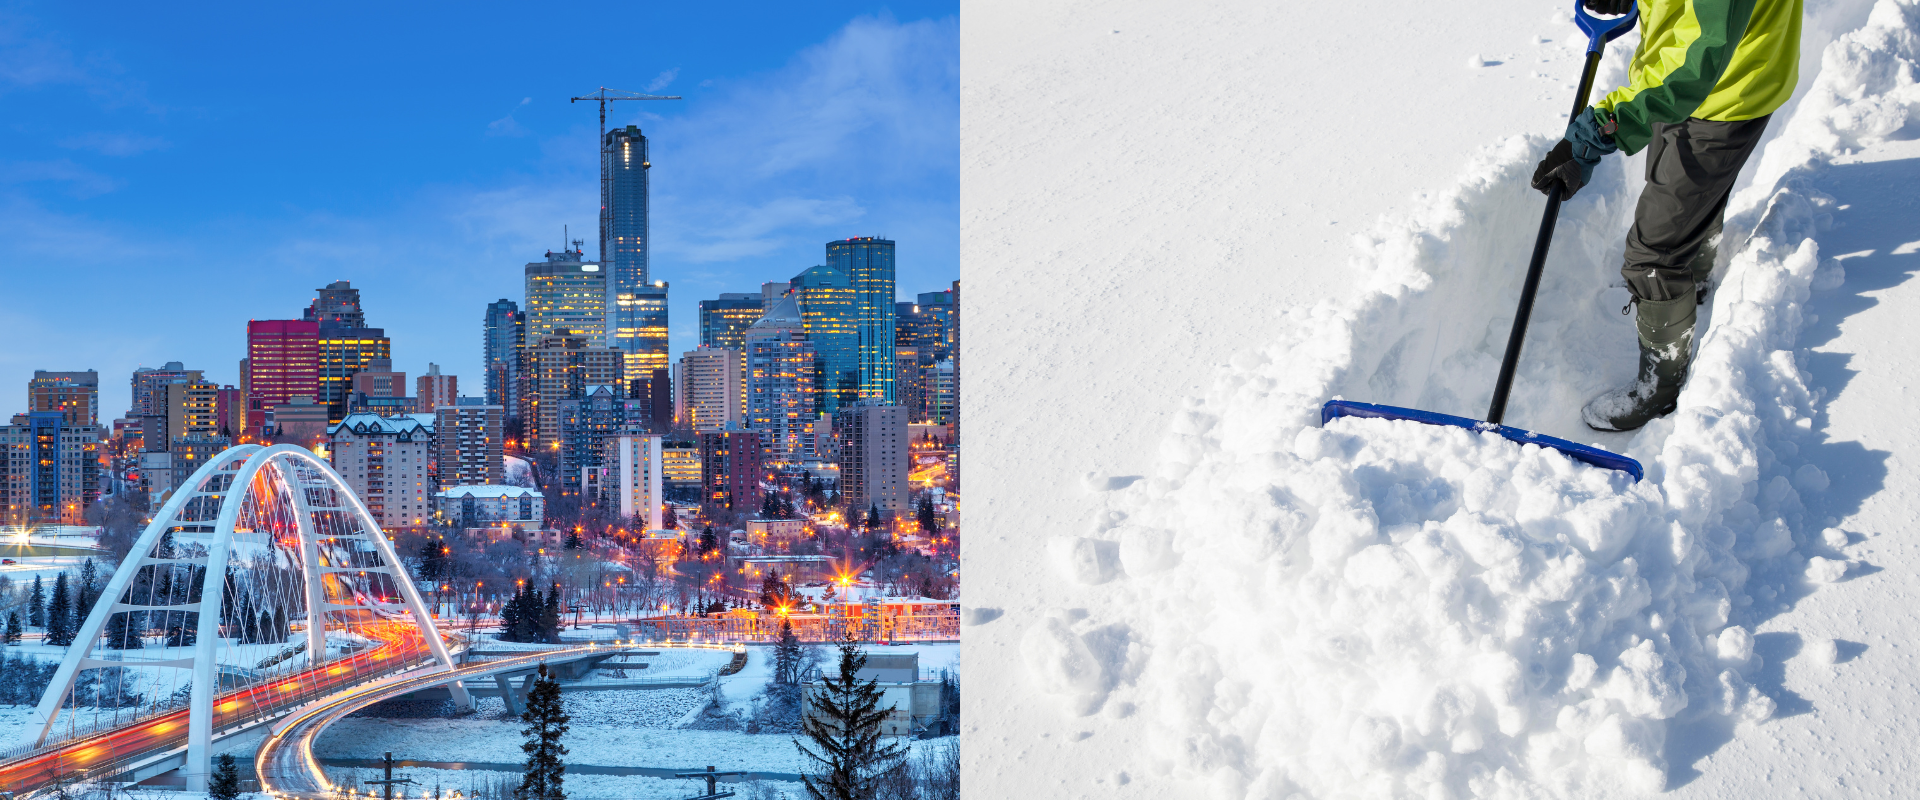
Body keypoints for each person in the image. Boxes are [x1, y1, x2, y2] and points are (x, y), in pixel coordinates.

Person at [1532, 0, 1803, 431]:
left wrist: (1603, 127)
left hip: (1720, 90)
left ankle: (1659, 389)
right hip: (1681, 80)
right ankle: (1692, 281)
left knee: (1653, 253)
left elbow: (1701, 59)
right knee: (1685, 198)